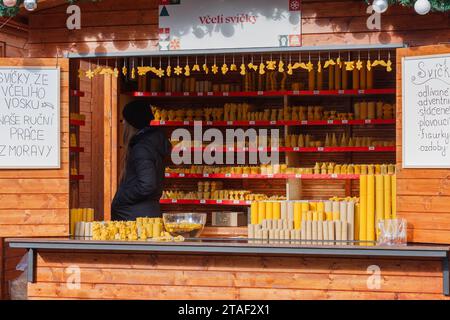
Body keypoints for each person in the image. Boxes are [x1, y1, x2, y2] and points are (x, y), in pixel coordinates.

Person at [111, 100, 171, 221]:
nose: (123, 124)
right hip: (143, 213)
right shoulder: (149, 144)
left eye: (124, 120)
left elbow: (147, 185)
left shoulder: (142, 148)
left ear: (132, 123)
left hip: (135, 217)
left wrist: (121, 197)